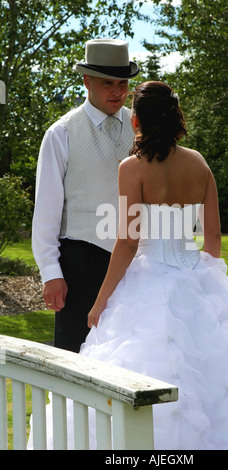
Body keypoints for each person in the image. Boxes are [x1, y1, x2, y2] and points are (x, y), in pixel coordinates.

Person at [37, 81, 228, 450]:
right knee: (227, 376)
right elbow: (214, 239)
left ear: (137, 121)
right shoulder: (199, 163)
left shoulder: (132, 168)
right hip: (198, 273)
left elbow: (128, 242)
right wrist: (207, 281)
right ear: (176, 117)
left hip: (151, 279)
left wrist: (100, 303)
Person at [32, 39, 140, 352]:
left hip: (134, 264)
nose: (118, 92)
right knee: (75, 357)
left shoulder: (141, 128)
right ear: (86, 81)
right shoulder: (62, 132)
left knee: (128, 357)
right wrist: (51, 273)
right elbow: (47, 211)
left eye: (123, 84)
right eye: (108, 83)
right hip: (79, 262)